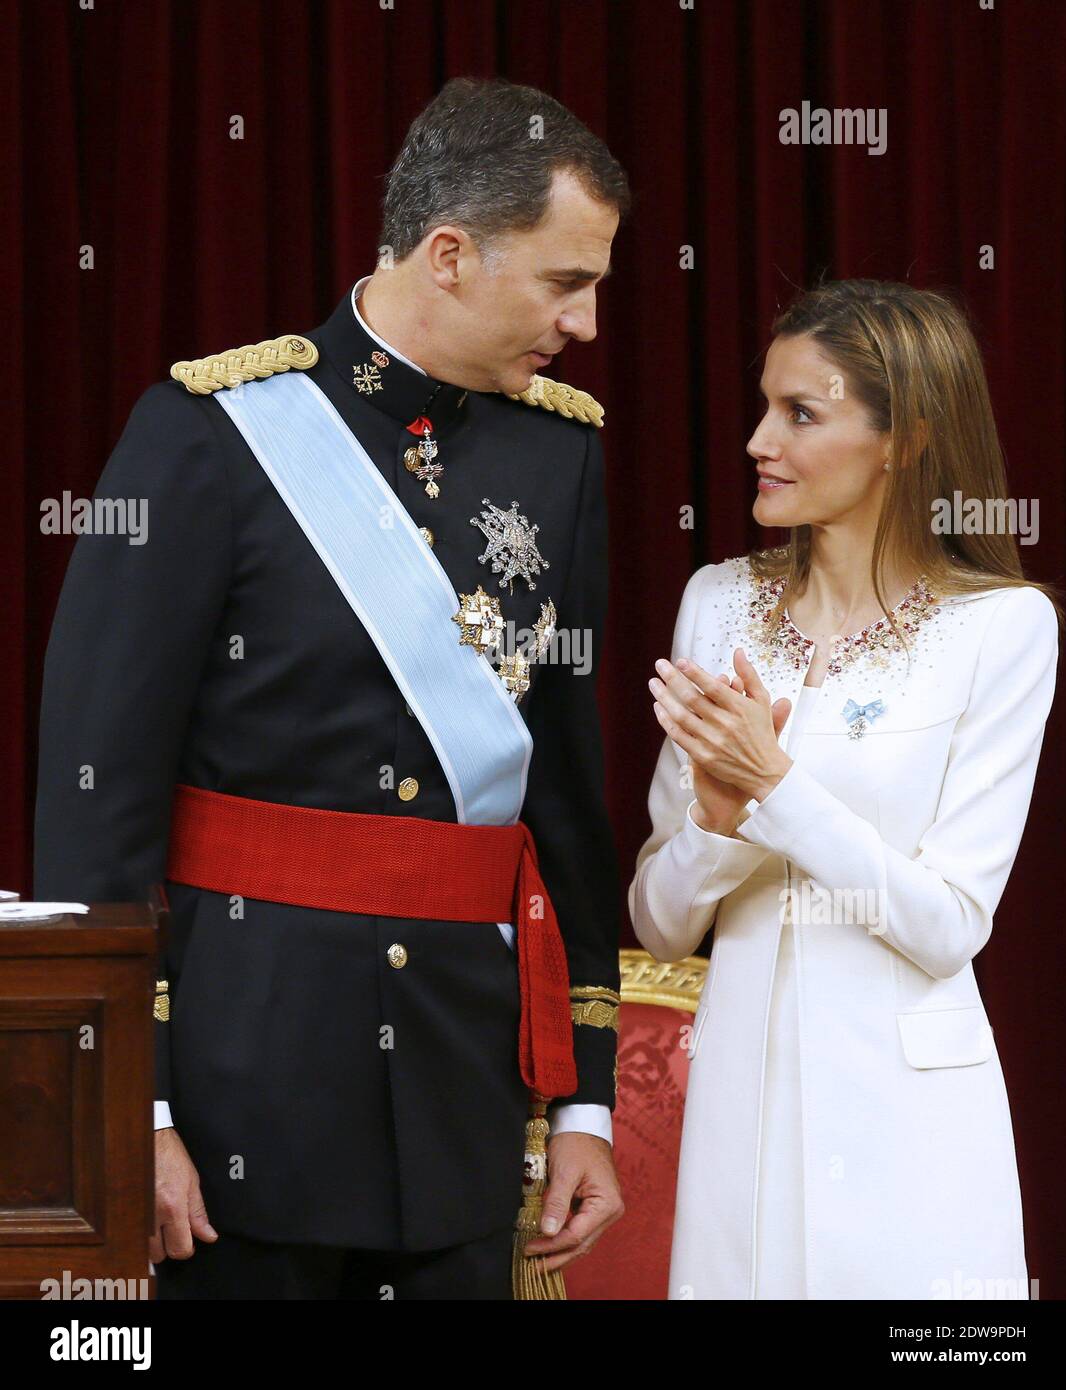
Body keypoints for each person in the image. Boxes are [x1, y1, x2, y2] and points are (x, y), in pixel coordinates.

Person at [34, 76, 629, 1300]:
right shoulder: (206, 434)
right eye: (565, 282)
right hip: (238, 1090)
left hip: (462, 1097)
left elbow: (562, 805)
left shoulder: (558, 454)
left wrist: (583, 1100)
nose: (583, 324)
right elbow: (95, 805)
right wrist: (123, 1110)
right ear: (451, 253)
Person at [630, 278, 1063, 1300]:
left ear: (903, 440)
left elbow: (946, 923)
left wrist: (773, 786)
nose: (754, 441)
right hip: (736, 1108)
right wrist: (718, 821)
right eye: (763, 404)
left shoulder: (1000, 629)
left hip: (909, 1124)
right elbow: (655, 922)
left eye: (800, 414)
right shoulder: (715, 602)